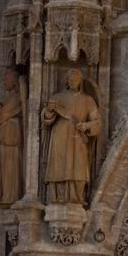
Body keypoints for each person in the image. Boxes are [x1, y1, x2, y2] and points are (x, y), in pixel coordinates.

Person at [42, 68, 101, 206]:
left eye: (76, 79)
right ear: (66, 81)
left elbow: (97, 121)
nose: (73, 81)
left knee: (78, 166)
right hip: (60, 137)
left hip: (78, 138)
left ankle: (77, 197)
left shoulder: (88, 100)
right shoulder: (57, 97)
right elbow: (46, 118)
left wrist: (86, 126)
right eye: (71, 78)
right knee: (59, 166)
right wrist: (49, 110)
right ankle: (58, 197)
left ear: (80, 81)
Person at [0, 67, 23, 208]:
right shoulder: (10, 99)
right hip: (5, 140)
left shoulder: (15, 98)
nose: (4, 81)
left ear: (15, 81)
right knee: (5, 170)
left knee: (10, 170)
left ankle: (10, 196)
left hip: (10, 139)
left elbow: (0, 117)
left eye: (6, 78)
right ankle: (7, 195)